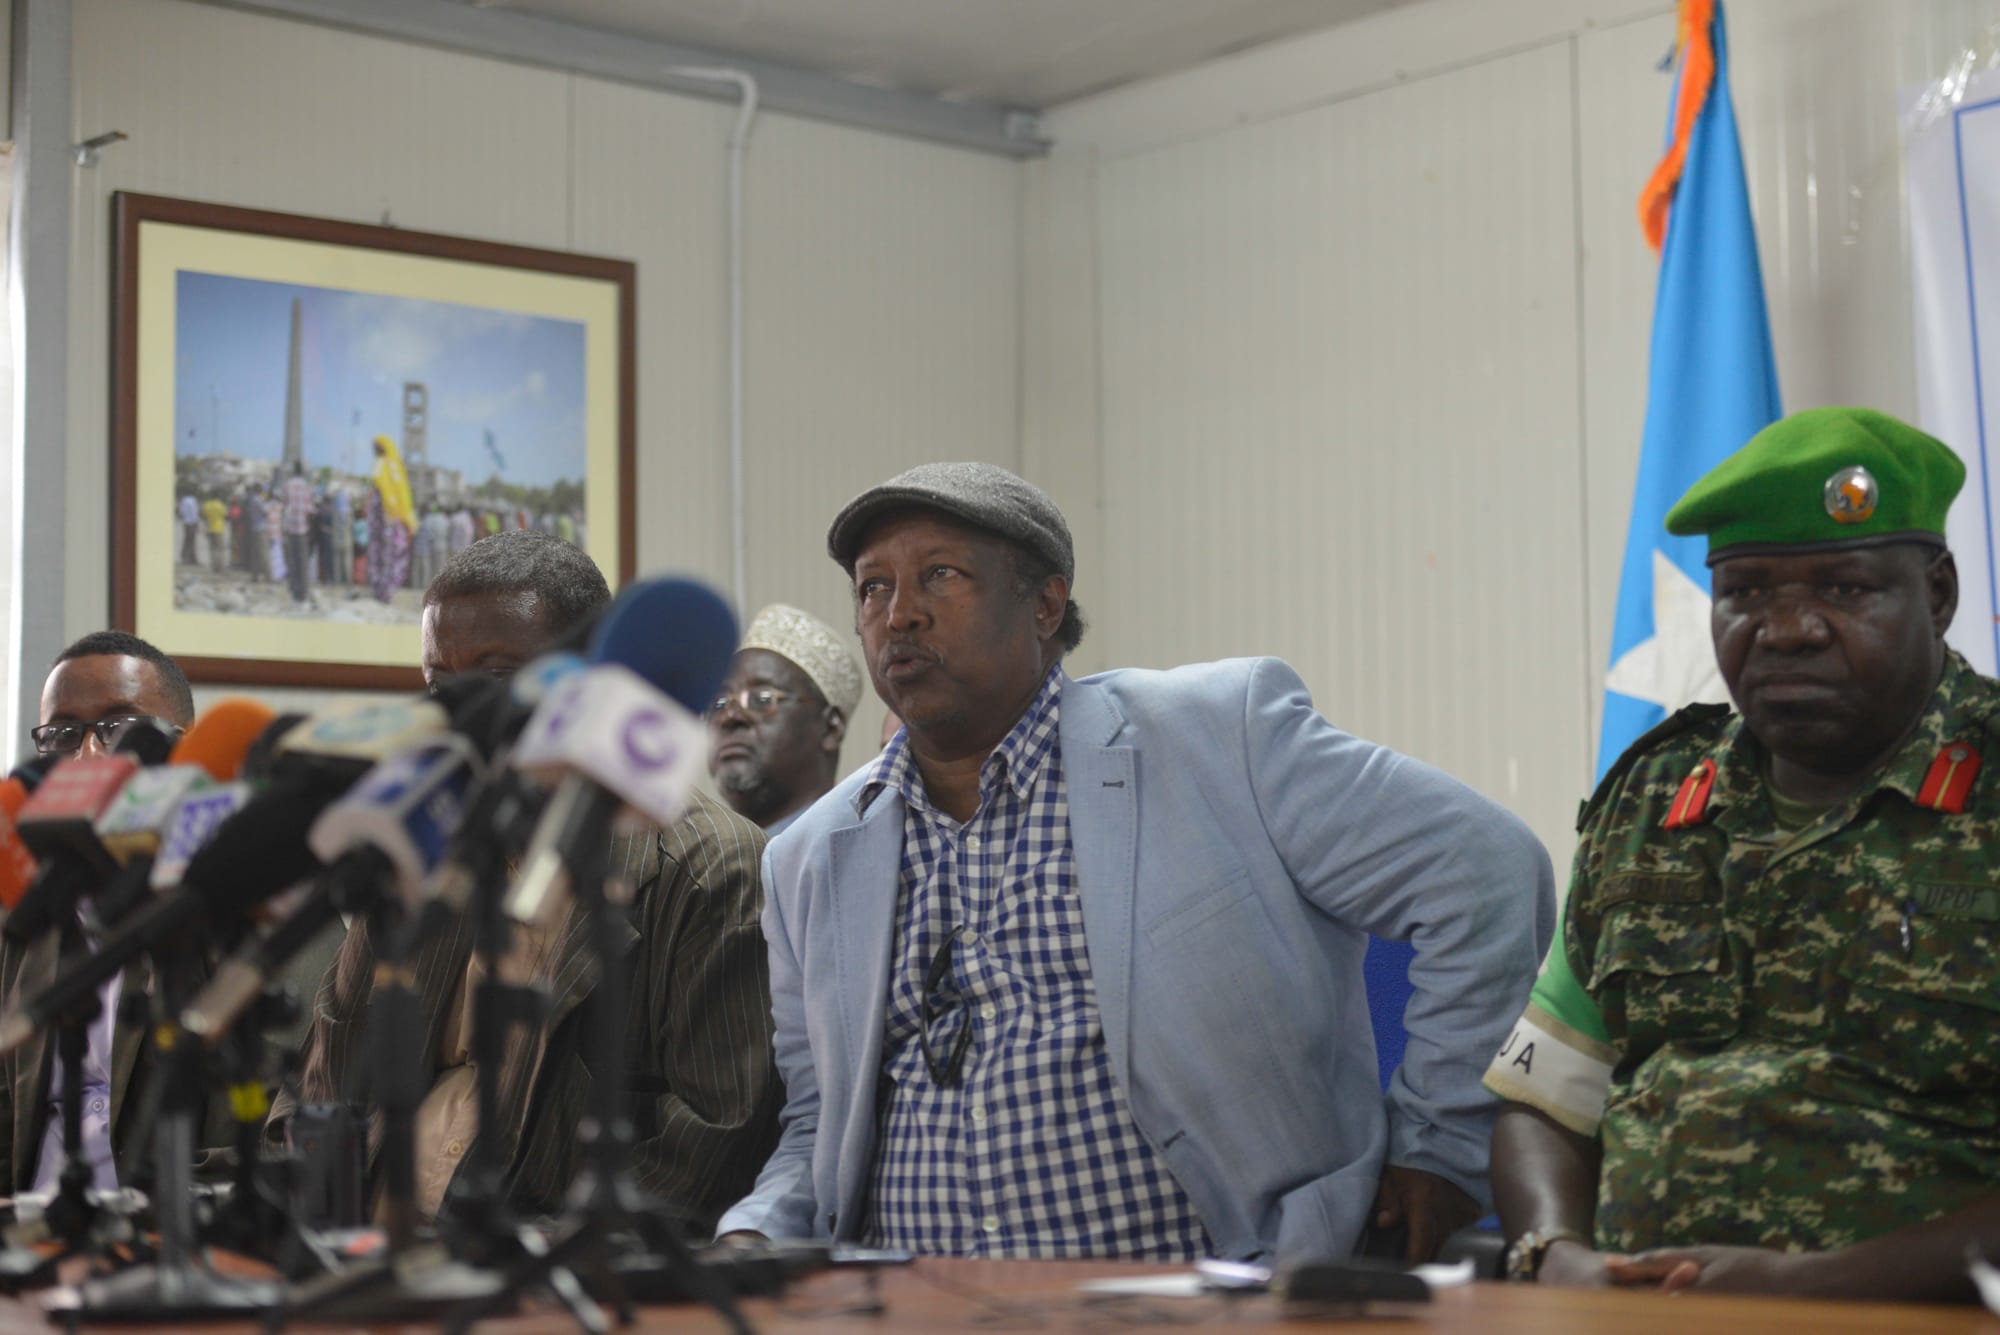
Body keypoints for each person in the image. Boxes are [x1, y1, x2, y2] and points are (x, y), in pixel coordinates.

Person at [716, 462, 1554, 1264]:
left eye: (941, 576)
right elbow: (817, 1124)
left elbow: (1486, 874)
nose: (899, 614)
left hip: (1209, 1291)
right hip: (908, 1298)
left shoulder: (1222, 736)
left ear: (1045, 604)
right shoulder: (808, 858)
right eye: (874, 586)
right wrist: (751, 1233)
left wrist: (1439, 1144)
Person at [1486, 407, 2000, 1302]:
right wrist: (1553, 1253)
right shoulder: (1654, 798)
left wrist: (1819, 1285)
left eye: (1844, 589)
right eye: (1748, 591)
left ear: (1939, 594)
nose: (1787, 627)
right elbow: (1548, 1098)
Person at [280, 530, 782, 1231]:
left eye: (492, 678)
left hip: (546, 1265)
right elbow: (321, 1079)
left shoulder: (711, 864)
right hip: (369, 1243)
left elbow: (709, 1143)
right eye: (438, 683)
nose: (462, 713)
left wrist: (520, 1268)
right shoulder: (424, 837)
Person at [1, 632, 195, 1192]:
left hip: (172, 1230)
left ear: (181, 746)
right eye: (63, 735)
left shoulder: (237, 888)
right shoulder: (26, 897)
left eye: (120, 729)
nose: (88, 756)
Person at [706, 604, 861, 835]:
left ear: (831, 728)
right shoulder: (702, 859)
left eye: (762, 699)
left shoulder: (854, 847)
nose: (730, 716)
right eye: (718, 702)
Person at [368, 435, 416, 604]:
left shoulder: (384, 465)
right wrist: (408, 521)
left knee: (382, 552)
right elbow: (403, 497)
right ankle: (385, 591)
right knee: (389, 553)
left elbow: (383, 491)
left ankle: (382, 590)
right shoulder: (394, 466)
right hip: (391, 519)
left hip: (388, 516)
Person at [281, 461, 314, 606]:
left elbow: (285, 506)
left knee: (292, 561)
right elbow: (309, 509)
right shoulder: (306, 486)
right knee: (303, 562)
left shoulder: (287, 485)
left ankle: (294, 591)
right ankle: (303, 592)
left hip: (290, 528)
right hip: (303, 529)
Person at [200, 493, 228, 571]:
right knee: (220, 549)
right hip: (219, 529)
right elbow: (225, 515)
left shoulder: (207, 505)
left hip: (210, 528)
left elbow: (203, 516)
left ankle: (214, 567)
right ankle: (220, 567)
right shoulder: (220, 505)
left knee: (212, 548)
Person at [176, 492, 200, 566]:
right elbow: (195, 513)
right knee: (192, 541)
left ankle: (185, 558)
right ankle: (192, 559)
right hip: (192, 523)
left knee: (187, 540)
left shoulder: (183, 500)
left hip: (186, 523)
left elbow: (181, 512)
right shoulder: (193, 500)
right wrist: (197, 524)